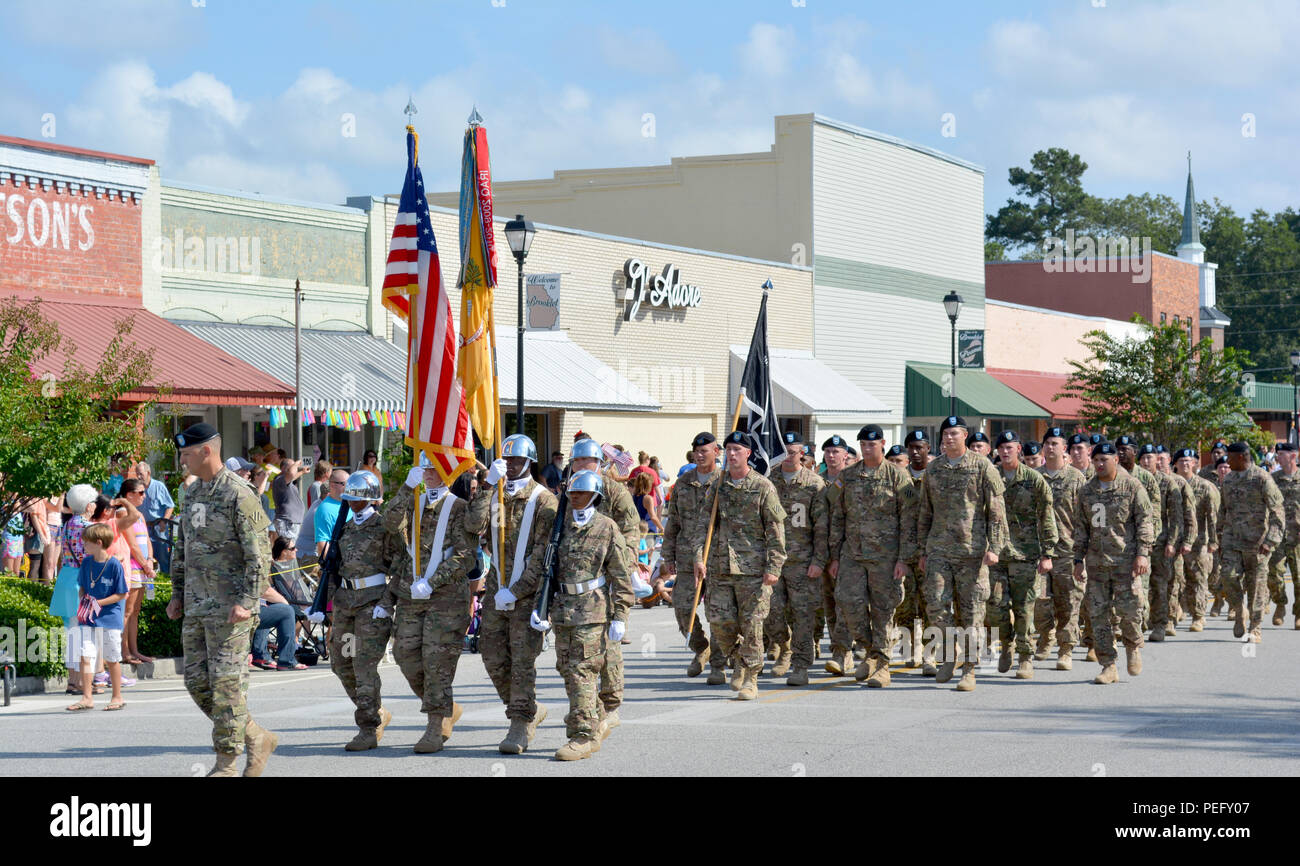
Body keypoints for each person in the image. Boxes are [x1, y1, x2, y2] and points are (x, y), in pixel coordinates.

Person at [166, 422, 278, 777]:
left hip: (232, 610)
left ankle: (227, 763)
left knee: (227, 687)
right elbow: (182, 547)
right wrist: (177, 594)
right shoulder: (193, 493)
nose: (182, 460)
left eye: (186, 453)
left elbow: (261, 555)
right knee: (198, 683)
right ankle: (255, 736)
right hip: (198, 605)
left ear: (206, 451)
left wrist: (247, 600)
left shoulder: (241, 494)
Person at [529, 470, 633, 760]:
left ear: (595, 496)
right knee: (566, 669)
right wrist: (542, 608)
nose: (575, 497)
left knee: (581, 673)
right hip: (563, 609)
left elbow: (621, 576)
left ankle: (581, 736)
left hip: (593, 610)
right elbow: (546, 571)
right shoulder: (559, 528)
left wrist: (620, 616)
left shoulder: (606, 527)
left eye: (582, 493)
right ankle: (596, 717)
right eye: (572, 493)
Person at [467, 433, 558, 754]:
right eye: (508, 461)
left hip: (526, 595)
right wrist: (488, 485)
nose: (513, 466)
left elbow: (542, 554)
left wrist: (517, 591)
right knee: (492, 656)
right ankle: (527, 709)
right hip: (495, 592)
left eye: (519, 461)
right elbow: (472, 524)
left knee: (521, 662)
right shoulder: (496, 496)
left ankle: (519, 723)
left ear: (530, 462)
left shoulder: (544, 501)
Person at [381, 456, 477, 754]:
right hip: (411, 595)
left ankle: (436, 725)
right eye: (425, 469)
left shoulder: (459, 508)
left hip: (446, 598)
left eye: (436, 468)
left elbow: (466, 556)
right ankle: (446, 706)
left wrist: (433, 581)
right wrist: (405, 490)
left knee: (437, 662)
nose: (430, 474)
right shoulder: (413, 502)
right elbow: (389, 523)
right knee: (405, 653)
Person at [915, 416, 1008, 692]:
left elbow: (996, 512)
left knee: (972, 613)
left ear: (965, 435)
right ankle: (948, 655)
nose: (949, 438)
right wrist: (921, 550)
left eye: (954, 433)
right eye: (945, 433)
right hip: (939, 550)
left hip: (972, 552)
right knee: (936, 607)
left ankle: (969, 669)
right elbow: (924, 513)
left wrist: (994, 548)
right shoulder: (934, 469)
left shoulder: (982, 467)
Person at [692, 431, 786, 700]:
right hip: (720, 568)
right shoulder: (717, 486)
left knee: (753, 627)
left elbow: (776, 530)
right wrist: (698, 558)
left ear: (748, 454)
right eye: (729, 449)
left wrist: (774, 566)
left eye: (737, 449)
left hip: (753, 570)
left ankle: (751, 678)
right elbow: (702, 527)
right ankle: (738, 660)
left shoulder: (763, 487)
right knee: (721, 623)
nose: (732, 454)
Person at [310, 469, 398, 751]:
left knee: (363, 665)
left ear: (371, 499)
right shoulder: (344, 529)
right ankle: (376, 711)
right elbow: (334, 570)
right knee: (341, 662)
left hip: (372, 604)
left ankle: (368, 728)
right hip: (347, 604)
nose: (353, 503)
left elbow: (400, 568)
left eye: (358, 499)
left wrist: (387, 603)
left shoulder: (384, 527)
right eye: (350, 499)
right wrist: (328, 605)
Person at [827, 425, 911, 687]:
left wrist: (903, 558)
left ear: (882, 444)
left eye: (872, 444)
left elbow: (909, 519)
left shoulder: (898, 477)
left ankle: (882, 665)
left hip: (886, 557)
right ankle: (869, 651)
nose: (867, 447)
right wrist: (835, 556)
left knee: (883, 611)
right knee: (848, 603)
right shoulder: (848, 476)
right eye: (863, 443)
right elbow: (837, 515)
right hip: (852, 553)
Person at [570, 437, 638, 728]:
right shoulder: (569, 492)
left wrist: (625, 564)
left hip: (609, 575)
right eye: (577, 462)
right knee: (577, 650)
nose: (582, 466)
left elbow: (632, 529)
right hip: (578, 580)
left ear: (600, 464)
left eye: (588, 462)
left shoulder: (614, 491)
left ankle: (610, 703)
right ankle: (587, 704)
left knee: (609, 643)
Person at [1073, 441, 1153, 684]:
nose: (1099, 464)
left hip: (1125, 562)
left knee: (1130, 612)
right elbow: (1081, 528)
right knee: (1097, 615)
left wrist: (1143, 553)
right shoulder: (1086, 491)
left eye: (1103, 460)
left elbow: (1145, 520)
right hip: (1096, 564)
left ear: (1115, 461)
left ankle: (1133, 646)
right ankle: (1108, 664)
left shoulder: (1131, 486)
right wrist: (1078, 560)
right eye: (1095, 460)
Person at [988, 431, 1057, 681]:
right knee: (995, 607)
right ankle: (1006, 645)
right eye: (1001, 448)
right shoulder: (990, 477)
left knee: (1024, 609)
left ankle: (1025, 657)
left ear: (1019, 449)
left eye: (1010, 447)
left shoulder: (1033, 479)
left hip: (1026, 555)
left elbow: (1047, 517)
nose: (1005, 452)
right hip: (996, 554)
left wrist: (1047, 553)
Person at [766, 431, 826, 686]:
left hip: (803, 562)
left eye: (793, 452)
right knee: (772, 612)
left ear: (802, 454)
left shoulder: (814, 484)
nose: (788, 456)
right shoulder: (769, 482)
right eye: (784, 451)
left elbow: (823, 527)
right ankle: (783, 646)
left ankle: (801, 665)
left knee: (803, 615)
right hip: (774, 561)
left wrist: (819, 560)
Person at [658, 432, 720, 678]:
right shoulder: (683, 483)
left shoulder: (724, 481)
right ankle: (701, 648)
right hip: (686, 559)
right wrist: (667, 555)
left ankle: (719, 661)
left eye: (705, 450)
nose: (700, 454)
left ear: (717, 452)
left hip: (717, 558)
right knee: (683, 609)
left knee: (718, 613)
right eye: (697, 450)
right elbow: (673, 522)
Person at [1032, 427, 1088, 670]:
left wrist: (1083, 555)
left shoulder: (1076, 478)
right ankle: (1045, 637)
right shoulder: (1033, 477)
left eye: (1056, 443)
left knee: (1069, 602)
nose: (1051, 447)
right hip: (1038, 549)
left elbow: (1084, 518)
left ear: (1064, 448)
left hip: (1067, 550)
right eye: (1048, 443)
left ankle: (1066, 649)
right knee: (1039, 601)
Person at [1218, 442, 1285, 643]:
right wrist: (1218, 535)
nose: (1226, 461)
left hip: (1258, 543)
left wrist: (1271, 540)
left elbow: (1277, 511)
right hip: (1232, 540)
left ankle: (1255, 629)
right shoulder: (1228, 480)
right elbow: (1223, 509)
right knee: (1227, 577)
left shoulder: (1262, 478)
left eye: (1229, 457)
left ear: (1241, 457)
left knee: (1256, 587)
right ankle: (1239, 610)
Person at [65, 522, 129, 712]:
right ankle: (87, 697)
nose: (83, 545)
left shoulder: (114, 565)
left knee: (112, 658)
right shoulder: (86, 563)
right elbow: (83, 586)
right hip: (89, 618)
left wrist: (99, 603)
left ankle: (117, 696)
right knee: (86, 656)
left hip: (110, 618)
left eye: (86, 542)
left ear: (99, 542)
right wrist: (84, 600)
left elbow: (121, 594)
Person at [1138, 443, 1194, 642]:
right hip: (1138, 544)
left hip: (1161, 544)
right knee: (1138, 586)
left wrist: (1173, 541)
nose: (1147, 461)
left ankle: (1161, 624)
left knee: (1160, 585)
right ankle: (1141, 622)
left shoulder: (1168, 483)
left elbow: (1177, 517)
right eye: (1143, 457)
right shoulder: (1133, 480)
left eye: (1150, 458)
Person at [814, 435, 854, 674]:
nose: (831, 456)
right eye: (827, 451)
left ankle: (843, 653)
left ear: (845, 455)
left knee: (845, 604)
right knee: (829, 604)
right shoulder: (816, 482)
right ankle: (838, 648)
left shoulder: (852, 480)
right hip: (822, 552)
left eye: (836, 452)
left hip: (848, 551)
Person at [895, 429, 934, 672]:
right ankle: (910, 649)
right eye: (911, 447)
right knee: (905, 605)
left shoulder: (937, 476)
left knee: (931, 604)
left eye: (920, 447)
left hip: (931, 550)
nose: (916, 451)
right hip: (904, 550)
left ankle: (930, 654)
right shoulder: (899, 478)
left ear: (928, 449)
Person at [1173, 448, 1218, 633]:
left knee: (1198, 578)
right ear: (1175, 463)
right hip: (1175, 538)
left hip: (1199, 541)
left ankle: (1199, 616)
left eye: (1188, 460)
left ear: (1195, 464)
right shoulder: (1172, 484)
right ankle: (1178, 609)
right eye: (1181, 460)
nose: (1185, 463)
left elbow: (1212, 516)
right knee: (1177, 577)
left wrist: (1213, 541)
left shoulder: (1205, 486)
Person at [117, 479, 156, 665]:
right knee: (127, 611)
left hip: (142, 568)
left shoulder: (139, 514)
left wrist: (149, 561)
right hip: (131, 568)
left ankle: (134, 650)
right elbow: (131, 543)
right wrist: (145, 565)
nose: (144, 496)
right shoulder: (123, 513)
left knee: (135, 611)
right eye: (140, 493)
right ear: (129, 495)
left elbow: (147, 540)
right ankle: (124, 652)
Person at [252, 539, 306, 671]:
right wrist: (284, 602)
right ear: (284, 552)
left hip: (252, 607)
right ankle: (286, 660)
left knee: (268, 608)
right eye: (293, 548)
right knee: (286, 611)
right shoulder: (271, 566)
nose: (296, 550)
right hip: (249, 609)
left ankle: (262, 655)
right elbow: (263, 589)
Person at [1266, 442, 1300, 629]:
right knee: (1274, 574)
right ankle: (1280, 604)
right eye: (1277, 453)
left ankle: (1299, 614)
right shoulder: (1273, 479)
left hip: (1298, 535)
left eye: (1282, 454)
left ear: (1293, 456)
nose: (1277, 457)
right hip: (1277, 535)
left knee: (1299, 577)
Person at [135, 462, 175, 575]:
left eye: (141, 474)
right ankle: (149, 582)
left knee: (162, 556)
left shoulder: (159, 486)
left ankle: (165, 579)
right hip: (143, 527)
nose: (138, 476)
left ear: (148, 473)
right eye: (137, 474)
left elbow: (170, 505)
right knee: (145, 556)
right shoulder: (137, 488)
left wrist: (164, 521)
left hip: (158, 527)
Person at [315, 468, 349, 557]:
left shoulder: (350, 502)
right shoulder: (325, 509)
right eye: (344, 483)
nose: (349, 486)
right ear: (333, 485)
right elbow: (323, 544)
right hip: (341, 564)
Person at [271, 458, 306, 543]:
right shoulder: (279, 480)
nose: (295, 468)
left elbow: (292, 476)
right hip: (287, 522)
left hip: (290, 522)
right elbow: (291, 473)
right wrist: (297, 462)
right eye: (292, 466)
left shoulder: (285, 480)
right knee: (288, 550)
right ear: (284, 468)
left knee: (290, 549)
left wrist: (302, 472)